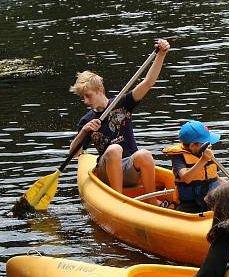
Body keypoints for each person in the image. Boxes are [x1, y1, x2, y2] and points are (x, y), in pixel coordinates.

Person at [68, 39, 170, 205]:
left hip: (129, 168)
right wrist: (84, 131)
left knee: (144, 154)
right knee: (114, 149)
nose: (85, 101)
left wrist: (161, 55)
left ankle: (153, 200)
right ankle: (118, 199)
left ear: (100, 90)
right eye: (82, 97)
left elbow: (148, 82)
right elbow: (74, 153)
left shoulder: (122, 103)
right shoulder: (87, 120)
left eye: (88, 96)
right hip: (106, 170)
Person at [162, 120, 226, 213]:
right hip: (190, 205)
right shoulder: (178, 158)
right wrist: (203, 160)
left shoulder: (205, 153)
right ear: (193, 145)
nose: (209, 145)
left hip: (212, 201)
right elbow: (186, 178)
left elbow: (215, 178)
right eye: (205, 143)